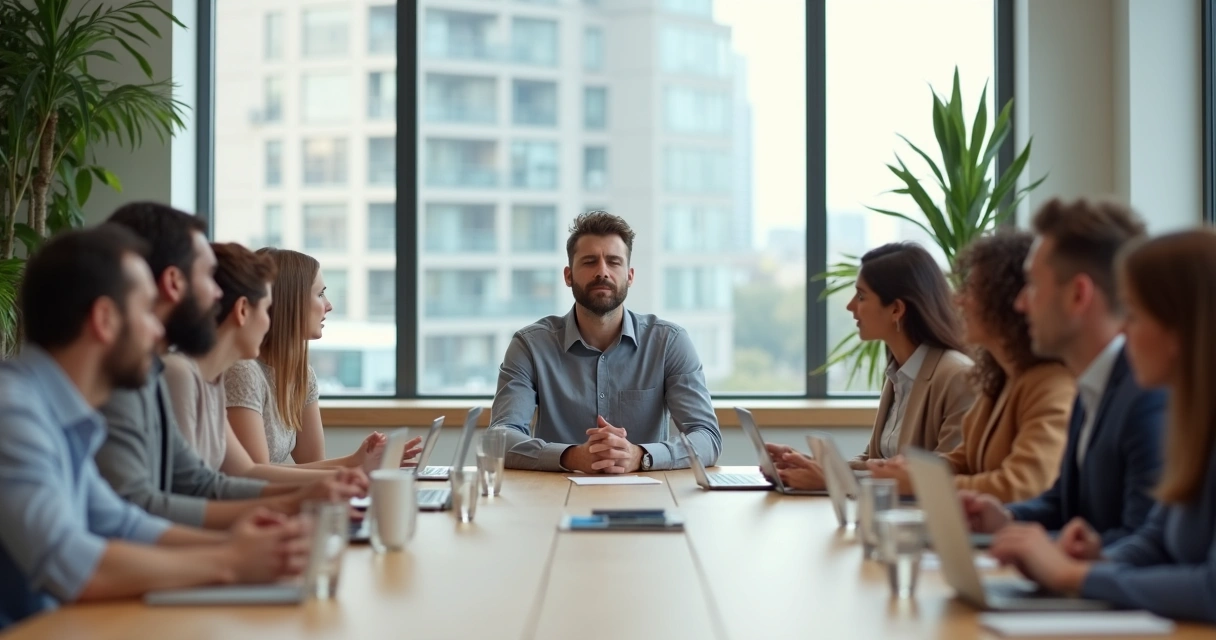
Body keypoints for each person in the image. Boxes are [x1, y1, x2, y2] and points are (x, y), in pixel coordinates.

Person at [0, 226, 309, 628]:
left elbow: (122, 522)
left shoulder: (64, 413)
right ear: (105, 320)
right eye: (147, 311)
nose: (159, 329)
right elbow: (68, 562)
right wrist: (230, 560)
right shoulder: (13, 410)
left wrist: (244, 546)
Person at [989, 229, 1216, 623]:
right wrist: (1097, 559)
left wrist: (1072, 575)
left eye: (1134, 315)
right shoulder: (1195, 421)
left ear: (1180, 330)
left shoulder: (1159, 407)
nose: (1122, 331)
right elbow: (1156, 541)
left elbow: (1211, 590)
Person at [95, 202, 366, 530]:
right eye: (207, 277)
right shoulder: (172, 373)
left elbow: (203, 482)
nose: (217, 293)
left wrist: (305, 497)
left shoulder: (188, 375)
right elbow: (154, 505)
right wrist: (237, 549)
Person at [962, 199, 1163, 545]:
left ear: (1078, 295)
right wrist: (1007, 518)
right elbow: (1063, 503)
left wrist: (1050, 554)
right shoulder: (1093, 385)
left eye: (1032, 285)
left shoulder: (1146, 396)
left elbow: (1145, 544)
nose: (1020, 303)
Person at [490, 211, 721, 472]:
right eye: (589, 262)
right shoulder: (530, 346)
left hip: (648, 491)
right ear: (568, 275)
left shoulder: (669, 343)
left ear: (629, 276)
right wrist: (571, 457)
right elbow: (500, 438)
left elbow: (707, 438)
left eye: (614, 262)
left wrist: (641, 455)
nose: (602, 272)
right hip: (555, 492)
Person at [164, 243, 417, 480]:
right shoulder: (228, 371)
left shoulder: (295, 373)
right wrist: (352, 470)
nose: (328, 306)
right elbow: (251, 477)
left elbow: (250, 473)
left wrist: (355, 465)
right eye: (320, 294)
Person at [868, 231, 1075, 502]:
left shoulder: (1050, 385)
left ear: (1005, 300)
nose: (958, 300)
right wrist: (907, 469)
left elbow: (1023, 485)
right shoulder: (999, 379)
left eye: (972, 290)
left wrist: (921, 482)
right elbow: (964, 459)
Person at [763, 243, 975, 490]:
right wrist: (806, 464)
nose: (850, 305)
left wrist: (834, 480)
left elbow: (942, 477)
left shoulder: (957, 375)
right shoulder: (899, 373)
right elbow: (874, 462)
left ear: (896, 309)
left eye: (861, 296)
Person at [223, 248, 413, 467]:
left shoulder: (301, 374)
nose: (329, 305)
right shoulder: (242, 371)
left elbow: (312, 462)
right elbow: (257, 477)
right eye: (320, 294)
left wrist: (364, 463)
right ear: (289, 302)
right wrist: (356, 465)